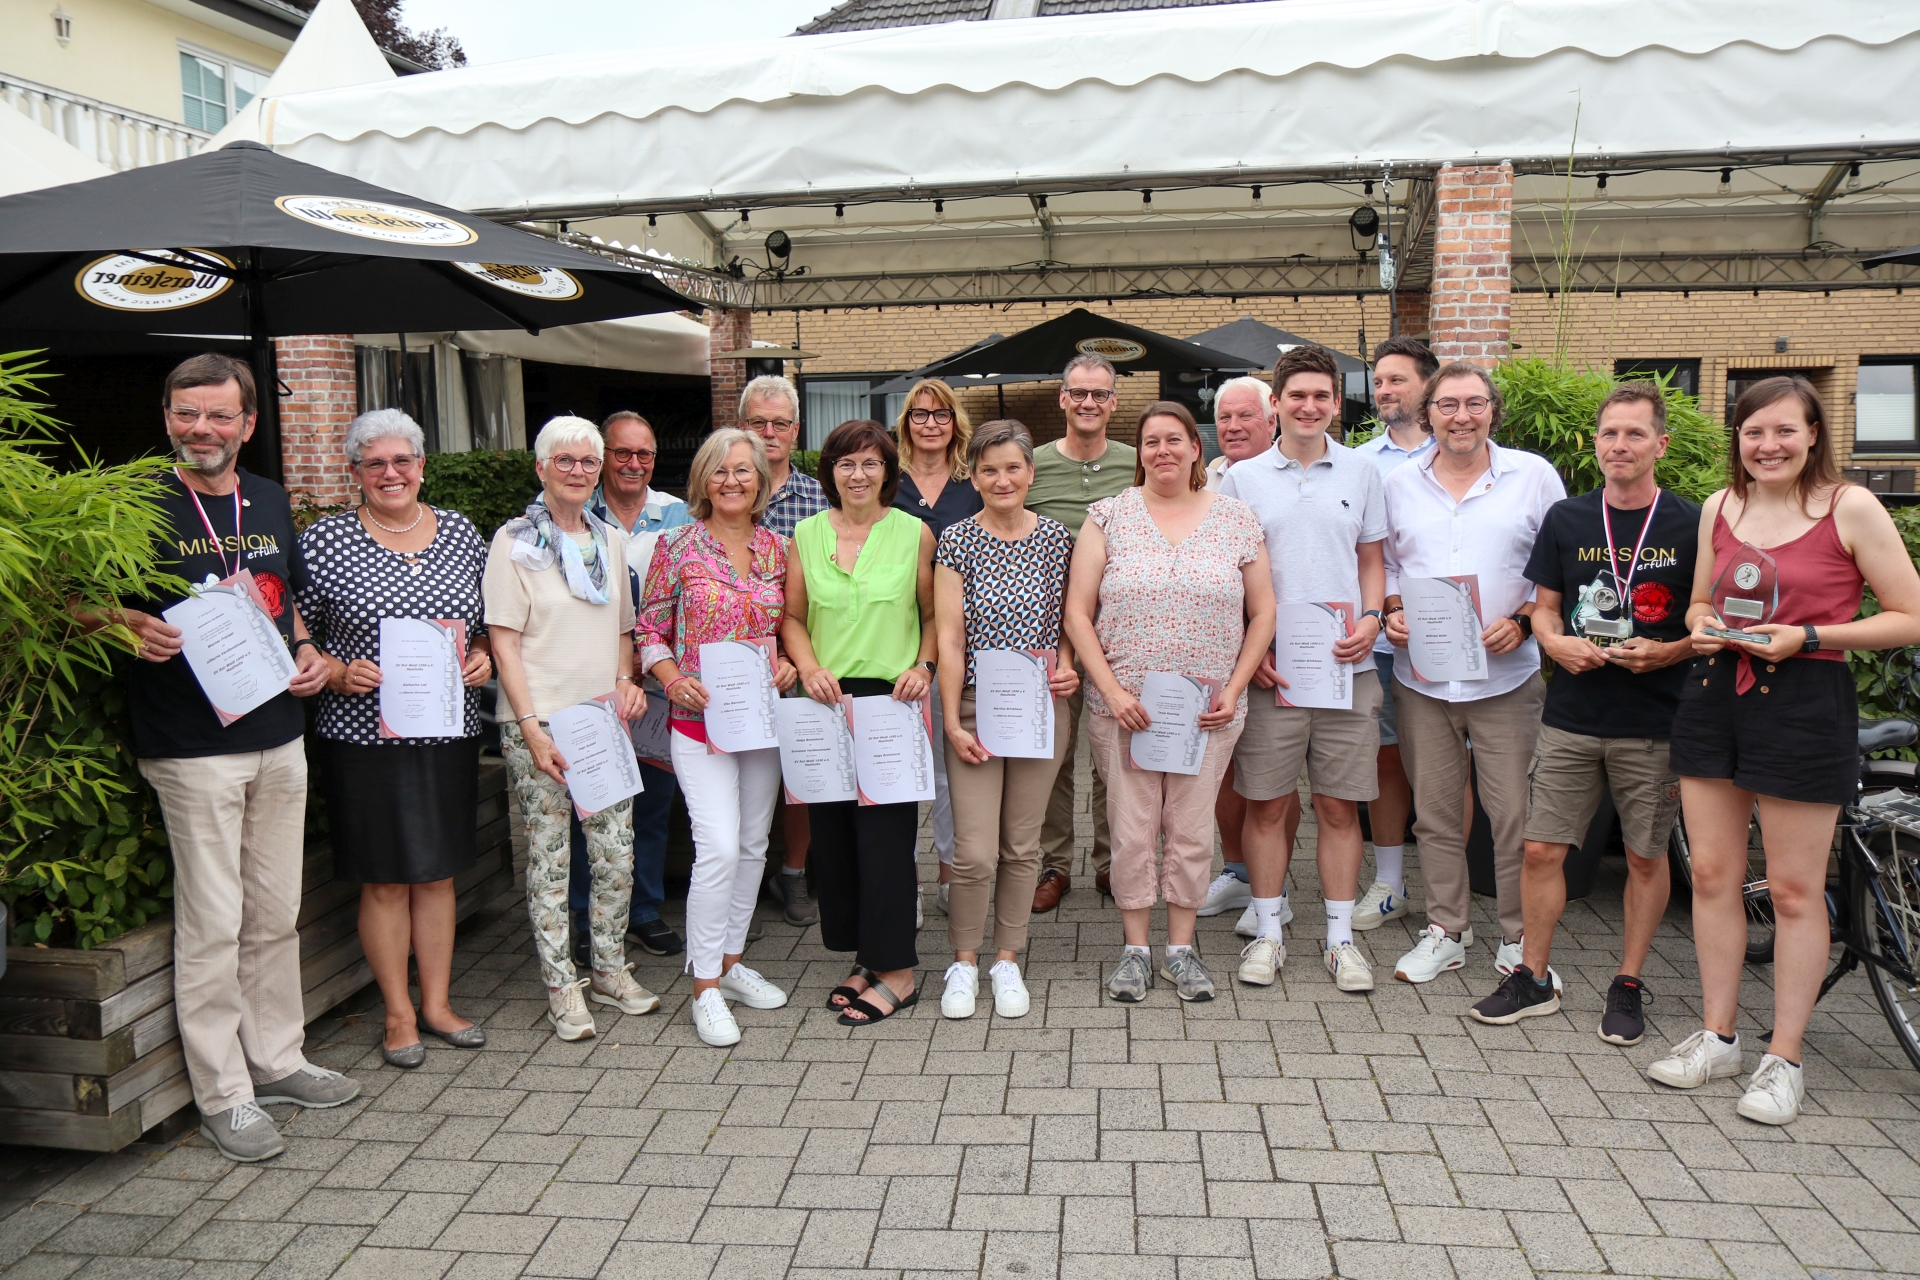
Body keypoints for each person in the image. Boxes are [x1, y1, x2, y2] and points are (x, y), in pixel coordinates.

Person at [1647, 377, 1920, 1125]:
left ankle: (1784, 1059)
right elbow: (1700, 601)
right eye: (1752, 432)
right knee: (1712, 876)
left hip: (1804, 701)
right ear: (1737, 438)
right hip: (1715, 696)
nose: (1767, 446)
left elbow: (1910, 616)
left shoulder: (1850, 506)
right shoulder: (1719, 507)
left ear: (1812, 433)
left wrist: (1812, 636)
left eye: (1783, 432)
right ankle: (1719, 1035)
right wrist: (1701, 625)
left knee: (1796, 891)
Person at [110, 354, 354, 1164]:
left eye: (219, 416)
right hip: (191, 747)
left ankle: (278, 1058)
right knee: (213, 923)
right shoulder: (134, 502)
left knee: (274, 911)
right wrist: (117, 621)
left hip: (280, 733)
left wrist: (312, 654)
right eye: (187, 414)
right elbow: (65, 597)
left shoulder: (272, 498)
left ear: (249, 423)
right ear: (168, 415)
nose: (201, 430)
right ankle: (225, 1094)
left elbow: (287, 609)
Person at [1467, 384, 1699, 1041]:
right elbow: (1543, 604)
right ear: (1595, 443)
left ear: (1660, 444)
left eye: (1634, 434)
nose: (1619, 446)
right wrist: (1553, 640)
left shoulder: (1692, 522)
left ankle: (1627, 983)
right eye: (1609, 435)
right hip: (1572, 714)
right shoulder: (1569, 518)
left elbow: (1707, 617)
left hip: (1654, 720)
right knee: (1541, 849)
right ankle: (1533, 976)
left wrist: (1670, 650)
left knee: (1647, 858)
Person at [297, 409, 493, 1070]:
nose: (390, 473)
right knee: (384, 880)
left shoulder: (462, 533)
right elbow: (296, 631)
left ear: (421, 465)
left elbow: (492, 620)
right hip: (362, 736)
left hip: (447, 727)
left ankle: (437, 1004)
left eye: (402, 460)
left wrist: (486, 655)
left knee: (437, 873)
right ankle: (397, 1014)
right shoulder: (326, 541)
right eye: (375, 463)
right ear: (355, 472)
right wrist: (333, 671)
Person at [1064, 402, 1274, 1003]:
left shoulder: (1235, 518)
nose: (1163, 451)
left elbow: (1263, 613)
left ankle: (1180, 951)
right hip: (1125, 706)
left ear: (1195, 449)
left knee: (1189, 831)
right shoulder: (1109, 516)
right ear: (1139, 453)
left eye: (1174, 440)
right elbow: (1079, 613)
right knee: (1132, 832)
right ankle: (1135, 951)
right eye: (1151, 441)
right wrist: (1109, 689)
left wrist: (1234, 689)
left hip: (1207, 710)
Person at [1381, 362, 1565, 984]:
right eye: (1448, 404)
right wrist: (1392, 610)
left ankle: (1518, 939)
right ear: (1426, 411)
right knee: (1433, 813)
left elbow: (1557, 568)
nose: (1462, 416)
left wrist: (1523, 616)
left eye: (1475, 403)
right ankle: (1445, 931)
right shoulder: (1400, 483)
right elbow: (1382, 567)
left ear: (1493, 409)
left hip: (1506, 676)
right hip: (1422, 677)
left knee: (1514, 813)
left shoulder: (1533, 477)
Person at [1218, 347, 1388, 992]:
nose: (1309, 407)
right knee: (1265, 804)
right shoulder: (1243, 479)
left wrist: (1372, 618)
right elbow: (1229, 577)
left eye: (1322, 396)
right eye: (1297, 397)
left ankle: (1341, 941)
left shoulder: (1362, 472)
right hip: (1274, 672)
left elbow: (1372, 558)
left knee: (1341, 807)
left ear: (1336, 404)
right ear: (1277, 405)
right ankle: (1268, 933)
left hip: (1348, 665)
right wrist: (1248, 650)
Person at [485, 416, 654, 1043]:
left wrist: (625, 681)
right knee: (551, 861)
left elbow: (621, 630)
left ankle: (609, 968)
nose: (579, 470)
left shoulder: (608, 541)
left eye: (588, 461)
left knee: (614, 853)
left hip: (599, 722)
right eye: (566, 461)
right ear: (541, 468)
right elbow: (503, 644)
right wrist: (530, 728)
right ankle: (562, 984)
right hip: (540, 723)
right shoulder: (514, 543)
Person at [637, 428, 798, 1047]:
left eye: (744, 471)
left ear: (760, 480)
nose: (732, 481)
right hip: (698, 719)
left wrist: (786, 662)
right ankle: (703, 985)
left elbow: (791, 627)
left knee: (755, 844)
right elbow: (649, 626)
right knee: (720, 848)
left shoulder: (778, 549)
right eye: (720, 471)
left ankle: (731, 965)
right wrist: (670, 676)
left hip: (760, 720)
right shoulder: (675, 544)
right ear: (702, 479)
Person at [782, 419, 937, 1025]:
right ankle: (867, 956)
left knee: (887, 843)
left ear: (888, 472)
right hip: (824, 701)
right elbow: (792, 616)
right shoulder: (805, 533)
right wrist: (809, 666)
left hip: (890, 702)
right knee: (837, 842)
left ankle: (899, 970)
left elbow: (931, 614)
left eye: (871, 463)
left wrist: (925, 667)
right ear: (830, 472)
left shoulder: (914, 535)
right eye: (846, 463)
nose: (858, 474)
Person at [933, 419, 1078, 1019]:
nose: (1001, 479)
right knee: (973, 851)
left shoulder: (1057, 540)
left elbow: (1072, 620)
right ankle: (964, 962)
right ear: (974, 476)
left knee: (1022, 845)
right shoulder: (957, 541)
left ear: (1031, 473)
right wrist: (950, 719)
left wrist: (1069, 666)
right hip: (973, 708)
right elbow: (947, 635)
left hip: (1043, 710)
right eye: (988, 469)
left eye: (1012, 468)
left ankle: (1007, 958)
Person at [565, 411, 692, 965]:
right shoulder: (572, 514)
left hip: (660, 683)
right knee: (588, 799)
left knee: (653, 801)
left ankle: (641, 910)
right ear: (603, 457)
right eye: (621, 453)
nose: (633, 464)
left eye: (643, 454)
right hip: (594, 678)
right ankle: (583, 912)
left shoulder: (678, 515)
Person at [1026, 353, 1138, 909]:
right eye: (1078, 393)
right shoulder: (1033, 465)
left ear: (1114, 402)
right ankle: (1054, 865)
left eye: (1100, 394)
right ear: (1062, 400)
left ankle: (1112, 862)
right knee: (1054, 753)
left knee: (1112, 750)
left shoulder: (1138, 463)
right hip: (1046, 632)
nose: (1088, 403)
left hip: (1120, 631)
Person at [1349, 336, 1439, 934]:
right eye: (1378, 381)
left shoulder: (1464, 453)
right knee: (1384, 760)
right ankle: (1389, 883)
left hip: (1449, 642)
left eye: (1397, 380)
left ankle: (1445, 889)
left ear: (1428, 385)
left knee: (1444, 766)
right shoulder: (1360, 462)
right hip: (1382, 640)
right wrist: (1383, 612)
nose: (1384, 391)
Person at [1197, 376, 1284, 929]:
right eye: (1223, 417)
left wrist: (1266, 644)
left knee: (1271, 777)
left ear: (1271, 418)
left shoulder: (1282, 474)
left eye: (1244, 416)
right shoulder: (1209, 478)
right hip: (1220, 653)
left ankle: (1272, 891)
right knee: (1225, 772)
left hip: (1274, 651)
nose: (1231, 426)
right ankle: (1236, 871)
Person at [894, 379, 983, 919]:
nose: (930, 423)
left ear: (955, 423)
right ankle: (904, 881)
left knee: (953, 769)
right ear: (906, 423)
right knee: (900, 767)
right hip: (896, 644)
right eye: (919, 414)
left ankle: (951, 875)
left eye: (941, 414)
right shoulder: (888, 485)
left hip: (961, 645)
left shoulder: (973, 487)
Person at [742, 375, 828, 928]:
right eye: (757, 422)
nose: (768, 433)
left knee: (801, 774)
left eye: (779, 423)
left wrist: (800, 657)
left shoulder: (820, 498)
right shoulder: (721, 489)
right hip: (729, 665)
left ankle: (792, 874)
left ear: (796, 431)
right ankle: (739, 881)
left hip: (801, 657)